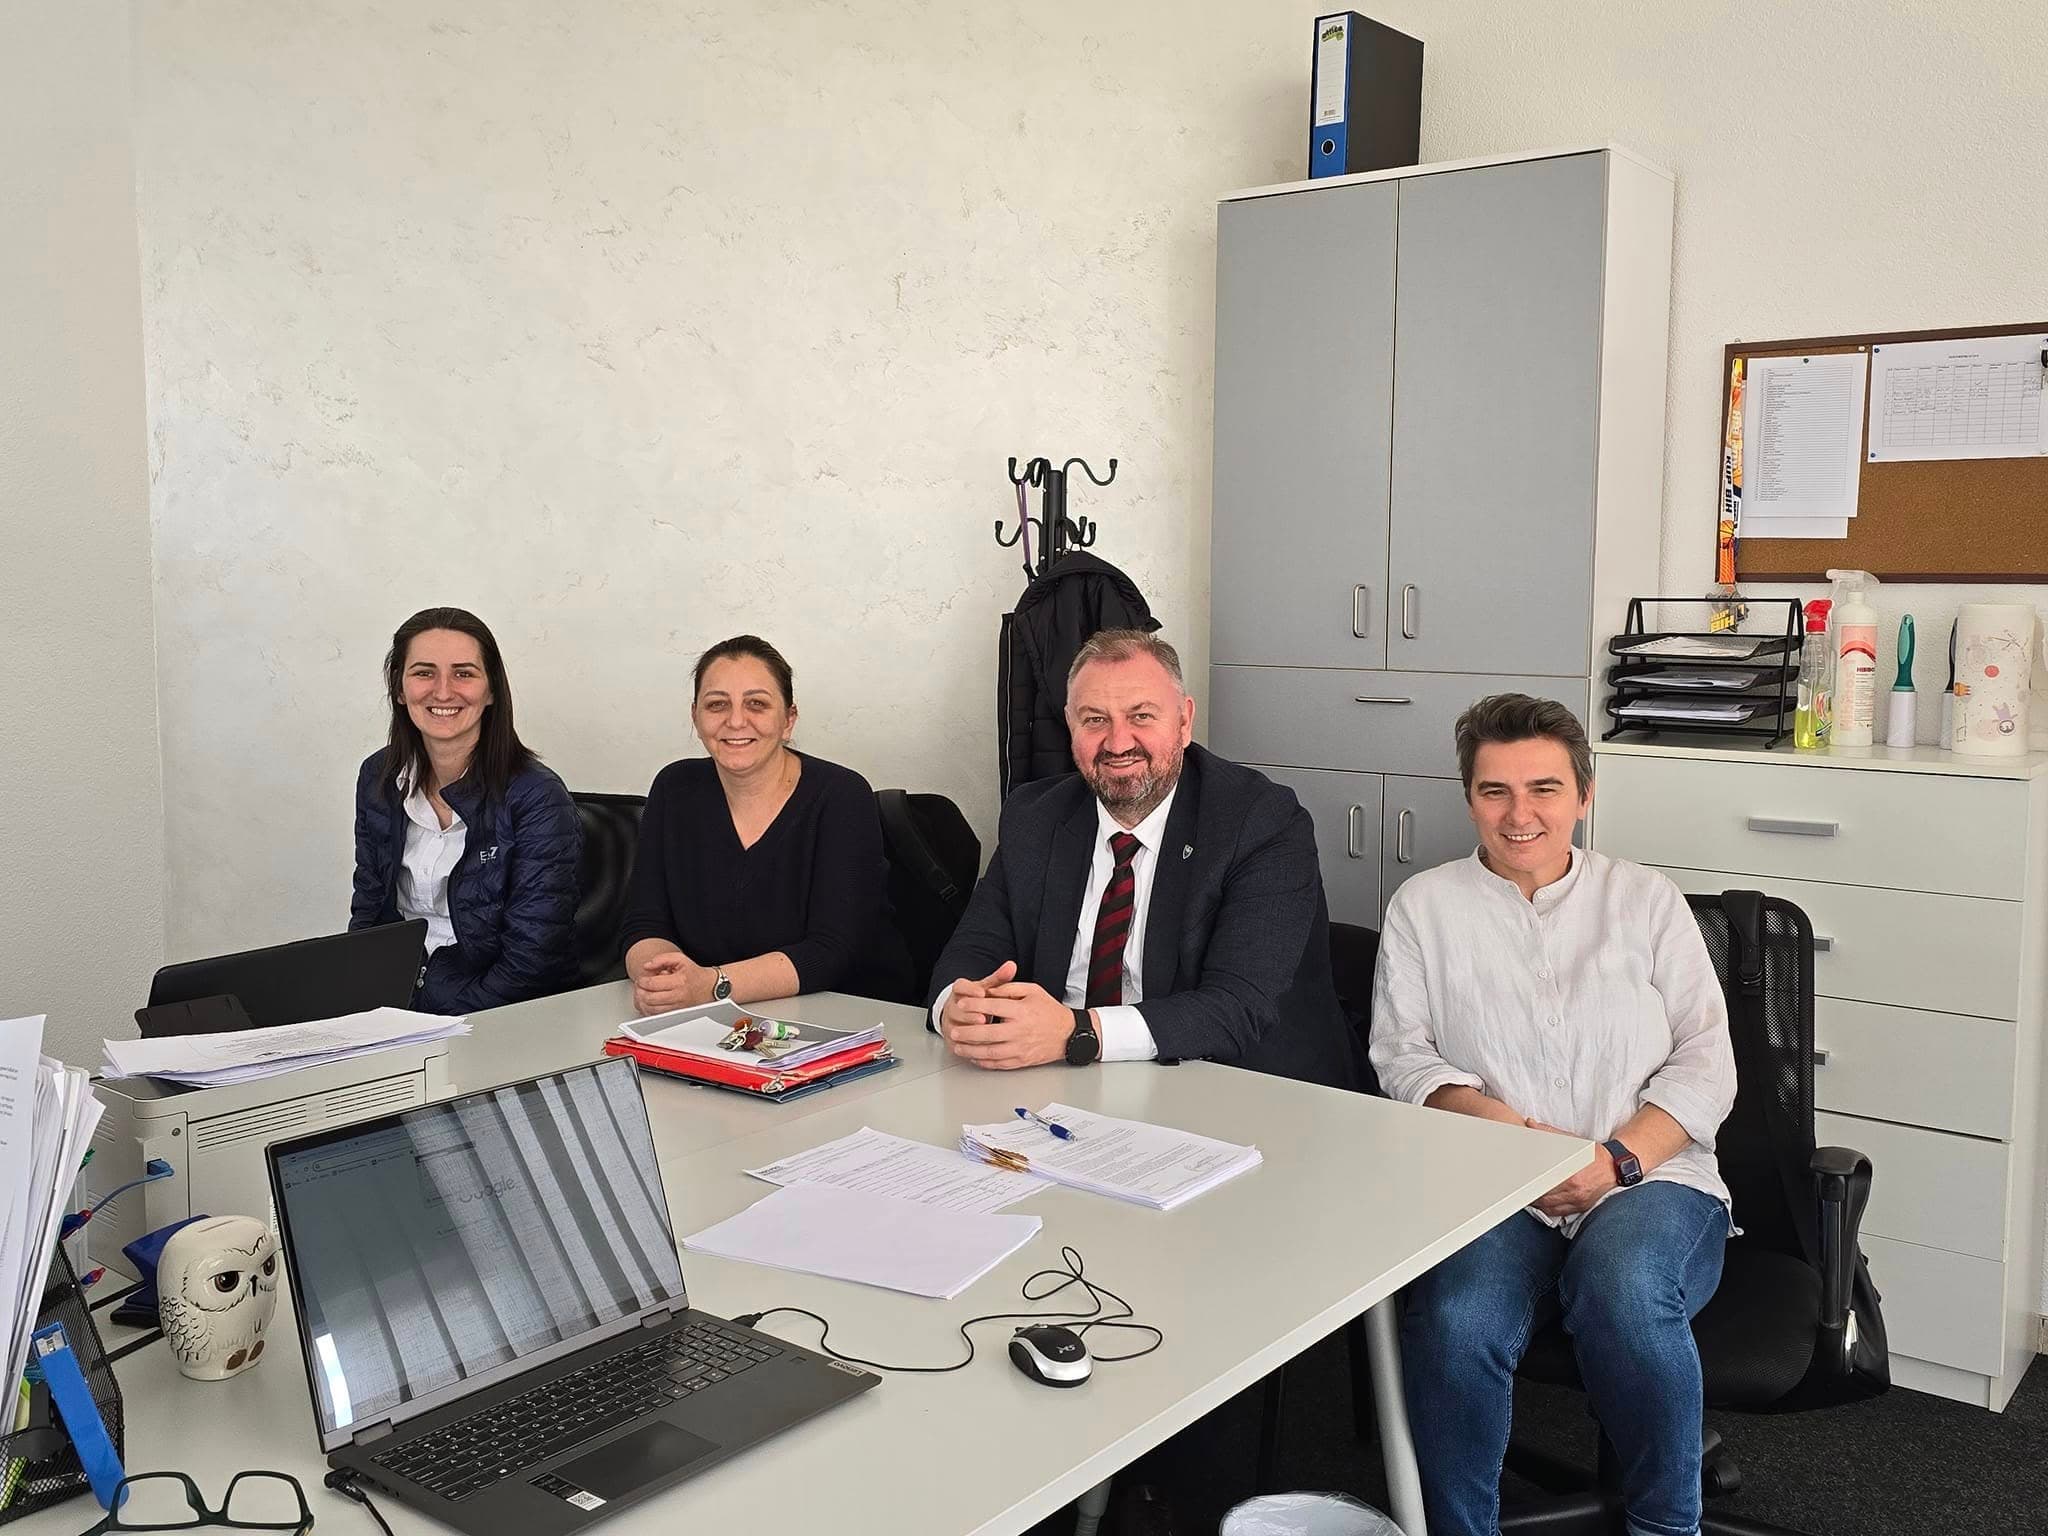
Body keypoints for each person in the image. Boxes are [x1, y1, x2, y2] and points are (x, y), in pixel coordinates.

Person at [1369, 693, 1737, 1536]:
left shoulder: (1645, 900)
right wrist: (1508, 1139)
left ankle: (1666, 1527)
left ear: (1584, 794)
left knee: (1625, 1287)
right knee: (1456, 1322)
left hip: (1649, 1178)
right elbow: (1403, 1057)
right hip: (1496, 1185)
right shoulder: (1424, 907)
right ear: (1469, 798)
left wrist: (1614, 1161)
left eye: (1544, 788)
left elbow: (1707, 1060)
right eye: (1494, 790)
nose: (1520, 814)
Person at [930, 629, 1357, 1087]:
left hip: (1236, 1087)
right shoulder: (1034, 815)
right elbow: (974, 949)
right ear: (1070, 724)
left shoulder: (1261, 821)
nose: (1118, 743)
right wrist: (958, 1006)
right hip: (1059, 1083)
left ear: (1184, 721)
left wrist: (1077, 1032)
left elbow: (1238, 1006)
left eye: (1141, 716)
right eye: (1095, 720)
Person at [620, 635, 910, 1011]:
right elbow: (644, 923)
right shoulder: (674, 788)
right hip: (710, 1019)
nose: (735, 720)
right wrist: (663, 981)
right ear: (695, 717)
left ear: (788, 720)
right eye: (717, 704)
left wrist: (710, 986)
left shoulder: (842, 795)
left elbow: (832, 951)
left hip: (845, 1016)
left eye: (756, 703)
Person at [351, 607, 581, 1013]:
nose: (443, 692)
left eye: (463, 673)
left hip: (494, 1012)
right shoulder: (379, 777)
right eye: (424, 673)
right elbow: (369, 912)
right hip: (397, 1001)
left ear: (491, 691)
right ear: (400, 689)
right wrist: (362, 1003)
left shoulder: (538, 796)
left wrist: (442, 1021)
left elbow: (531, 961)